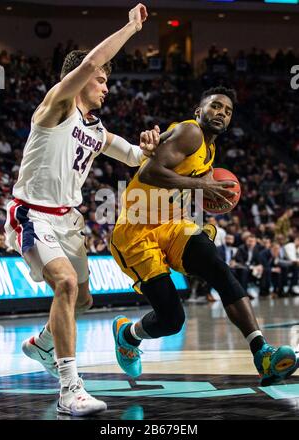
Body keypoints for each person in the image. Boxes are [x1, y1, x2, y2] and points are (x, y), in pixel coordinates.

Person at [4, 3, 158, 417]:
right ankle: (69, 387)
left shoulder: (95, 128)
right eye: (102, 79)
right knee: (67, 286)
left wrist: (148, 149)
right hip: (32, 214)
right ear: (83, 79)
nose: (106, 86)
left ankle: (41, 345)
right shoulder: (57, 106)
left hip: (68, 221)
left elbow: (131, 156)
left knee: (83, 299)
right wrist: (130, 28)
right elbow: (93, 59)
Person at [110, 86, 297, 387]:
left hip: (172, 224)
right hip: (137, 229)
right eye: (215, 106)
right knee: (172, 320)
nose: (222, 112)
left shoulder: (210, 149)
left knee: (217, 266)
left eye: (228, 110)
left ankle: (261, 352)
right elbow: (148, 173)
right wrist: (201, 188)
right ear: (199, 111)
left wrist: (207, 189)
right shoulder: (190, 132)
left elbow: (186, 183)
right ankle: (127, 335)